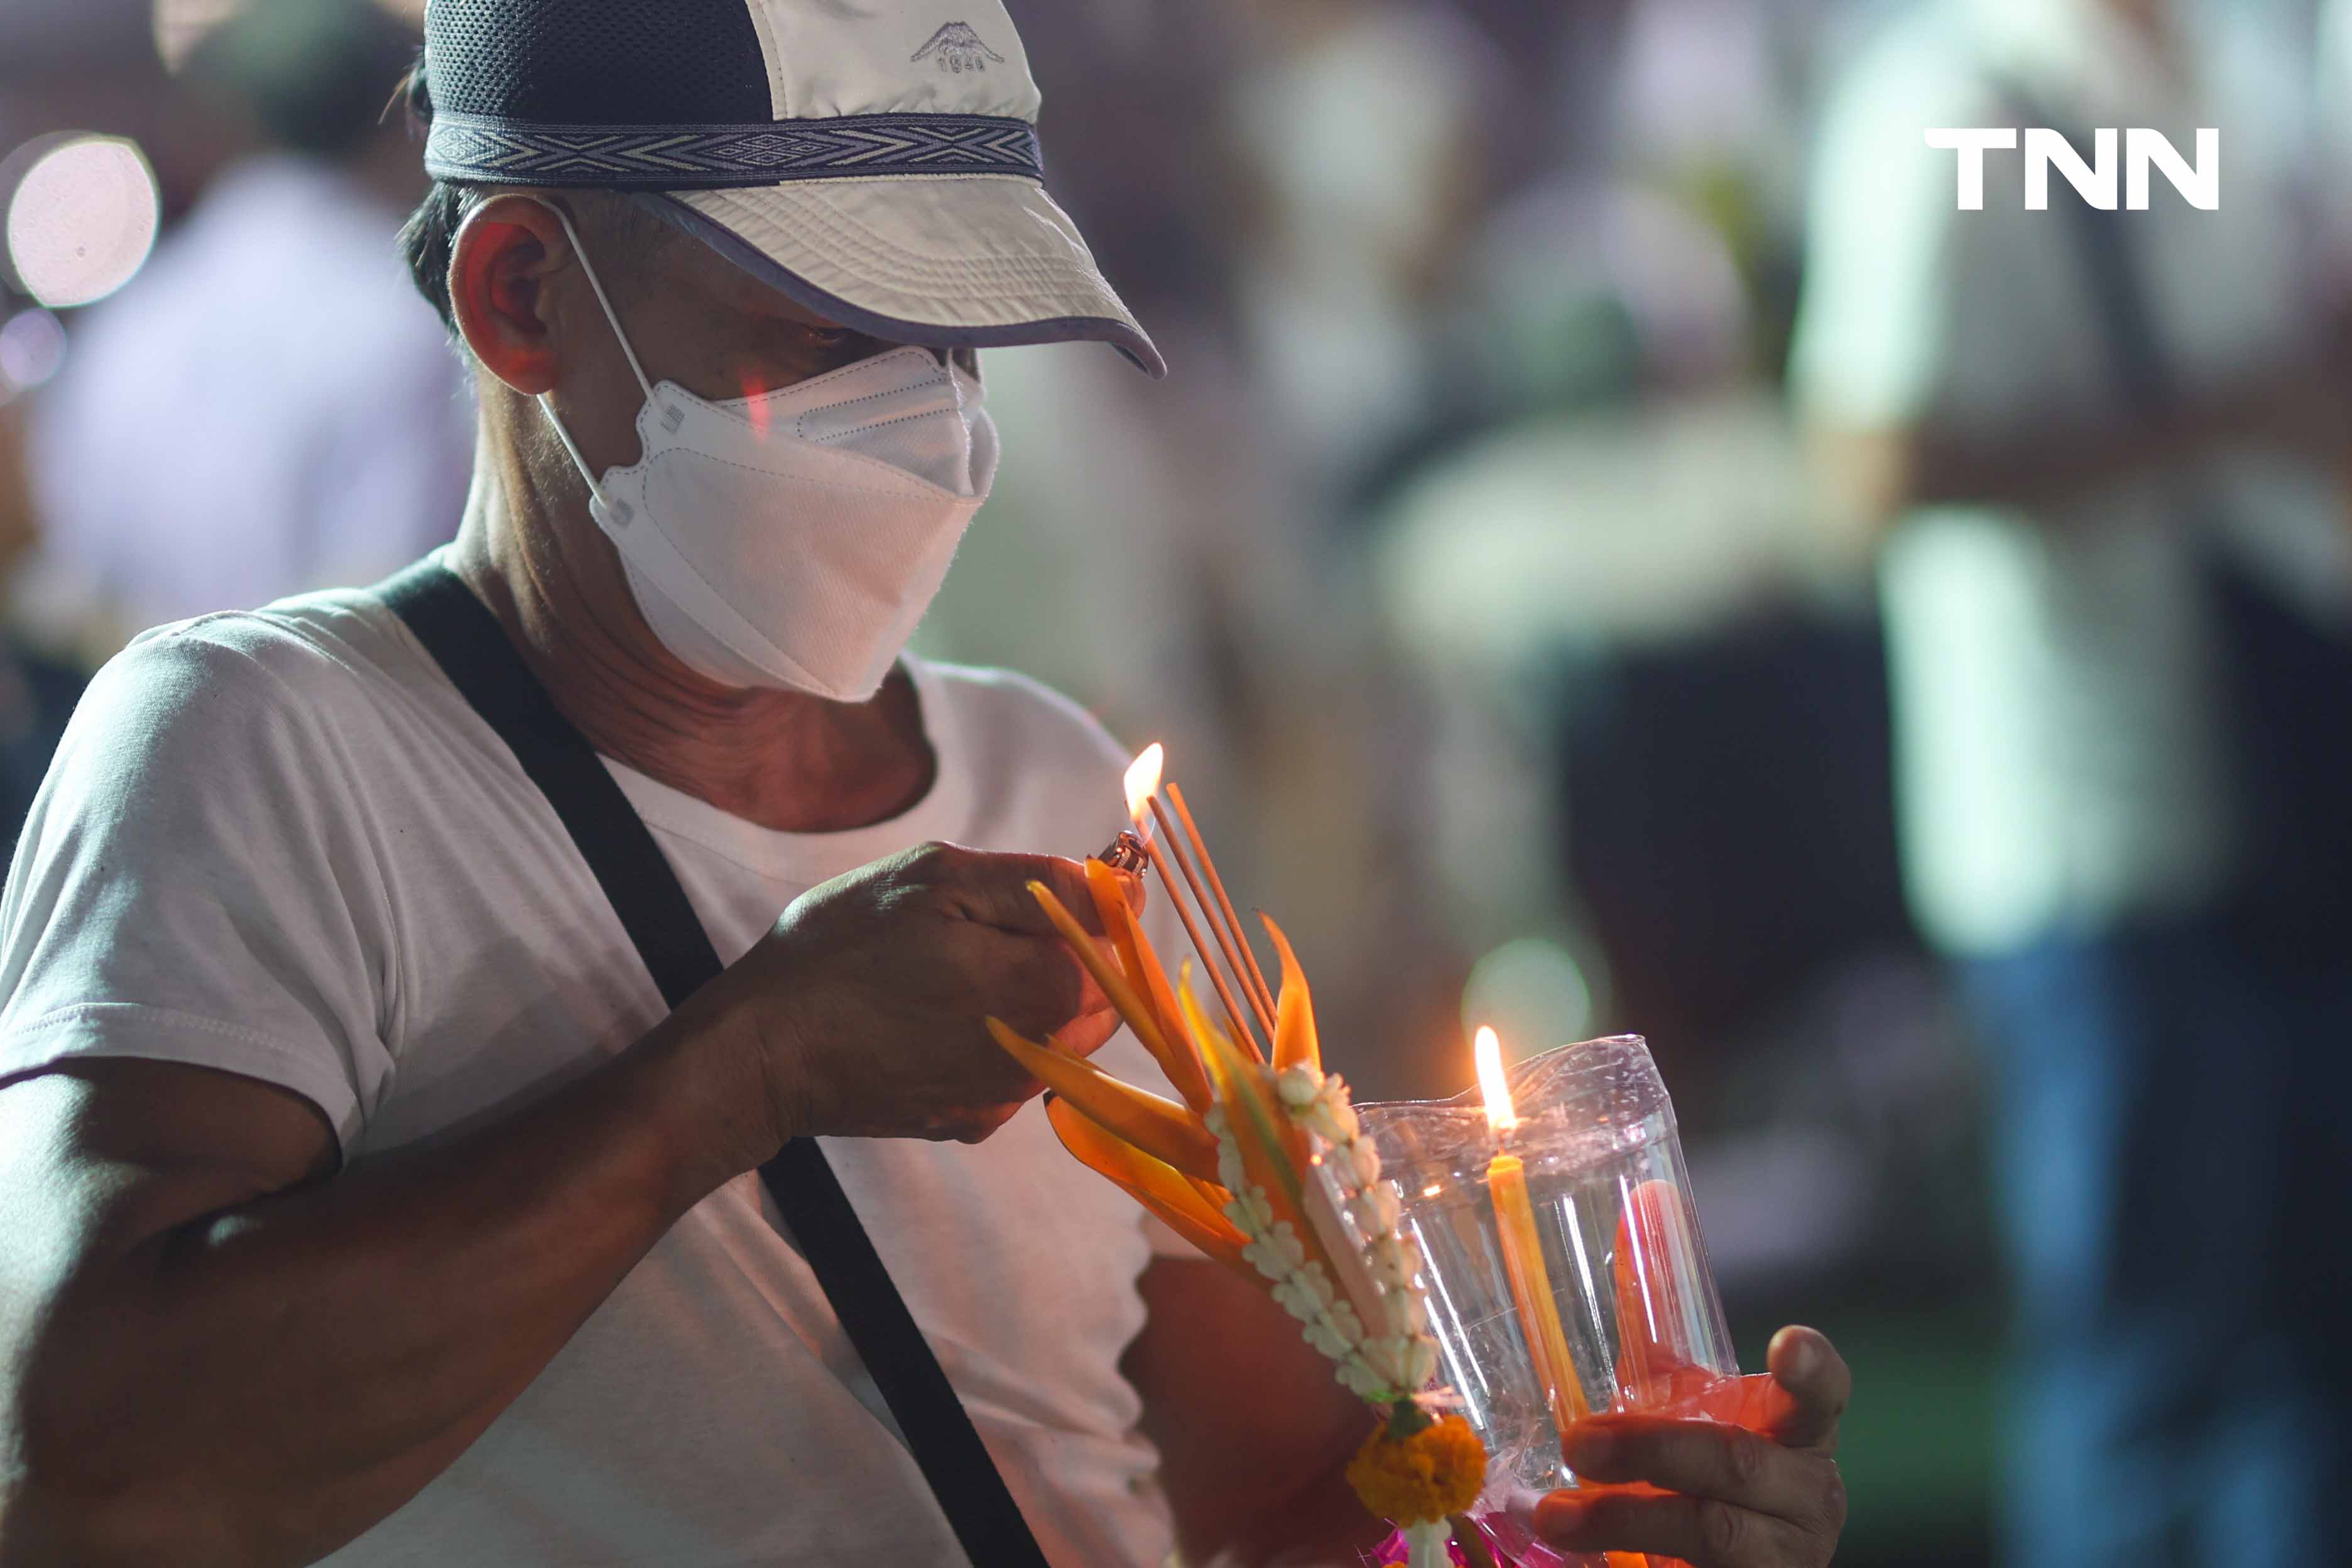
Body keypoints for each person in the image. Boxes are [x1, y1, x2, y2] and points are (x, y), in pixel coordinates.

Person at [0, 4, 1851, 1565]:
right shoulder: (265, 751)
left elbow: (1259, 1490)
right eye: (828, 332)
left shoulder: (1037, 771)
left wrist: (1573, 1519)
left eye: (958, 337)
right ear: (525, 295)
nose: (937, 420)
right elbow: (77, 1469)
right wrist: (741, 1070)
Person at [1792, 1, 2352, 1563]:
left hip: (2275, 806)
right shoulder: (1952, 99)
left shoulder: (2220, 68)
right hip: (2087, 835)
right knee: (2142, 1362)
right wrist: (2219, 418)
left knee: (2304, 1361)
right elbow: (1859, 466)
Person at [14, 0, 471, 657]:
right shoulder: (411, 318)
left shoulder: (130, 321)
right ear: (397, 122)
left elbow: (76, 585)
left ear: (224, 123)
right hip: (341, 735)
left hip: (147, 725)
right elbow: (397, 600)